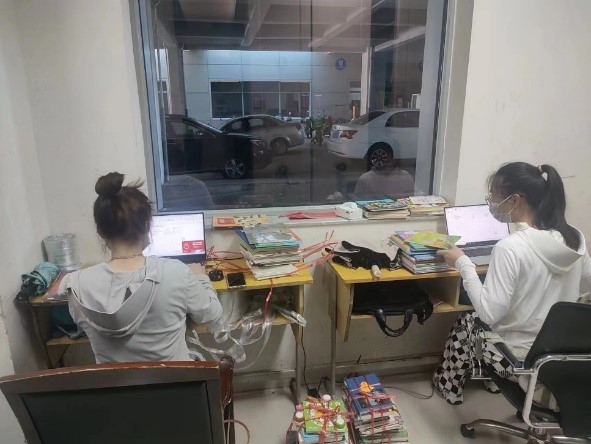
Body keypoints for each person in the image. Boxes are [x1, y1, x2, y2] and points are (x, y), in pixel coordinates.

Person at [433, 162, 591, 405]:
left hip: (519, 360)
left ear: (515, 200)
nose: (492, 203)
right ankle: (492, 383)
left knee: (468, 321)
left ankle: (449, 387)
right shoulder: (574, 238)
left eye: (494, 196)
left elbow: (488, 313)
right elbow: (587, 282)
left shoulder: (510, 247)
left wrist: (463, 263)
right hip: (561, 357)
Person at [60, 172, 222, 363]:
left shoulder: (76, 284)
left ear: (101, 232)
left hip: (116, 383)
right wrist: (201, 278)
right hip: (174, 381)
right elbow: (211, 314)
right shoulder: (176, 273)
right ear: (147, 225)